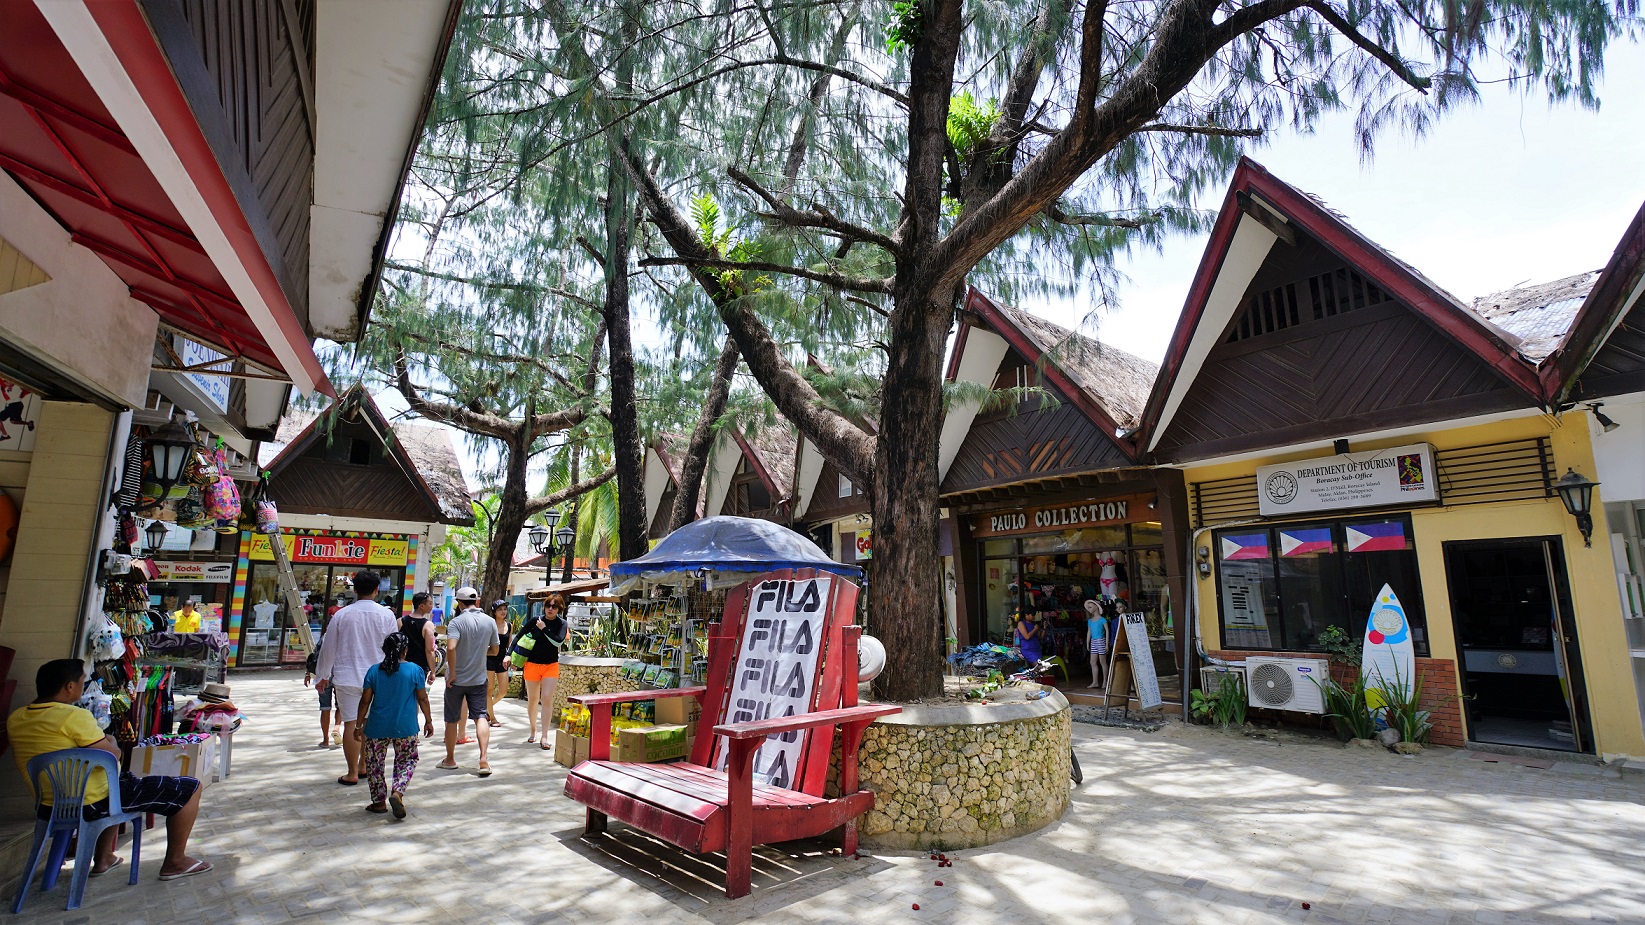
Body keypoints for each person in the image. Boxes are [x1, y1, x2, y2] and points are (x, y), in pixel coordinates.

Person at [7, 659, 211, 881]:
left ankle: (104, 857)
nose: (83, 685)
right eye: (82, 681)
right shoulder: (74, 716)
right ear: (70, 687)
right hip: (93, 803)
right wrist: (112, 742)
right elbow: (113, 755)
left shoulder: (16, 718)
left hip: (49, 805)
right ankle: (175, 861)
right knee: (190, 788)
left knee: (120, 780)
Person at [314, 570, 398, 786]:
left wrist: (322, 675)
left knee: (351, 722)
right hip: (377, 677)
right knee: (369, 723)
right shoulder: (386, 615)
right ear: (377, 590)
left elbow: (328, 647)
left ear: (354, 589)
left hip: (347, 677)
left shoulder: (342, 615)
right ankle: (363, 766)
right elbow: (393, 648)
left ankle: (351, 772)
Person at [354, 633, 433, 819]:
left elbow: (365, 701)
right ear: (406, 650)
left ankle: (379, 802)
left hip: (376, 726)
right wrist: (428, 721)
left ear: (385, 649)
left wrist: (358, 725)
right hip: (405, 726)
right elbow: (423, 698)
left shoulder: (374, 671)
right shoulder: (415, 670)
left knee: (374, 763)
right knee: (407, 759)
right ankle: (397, 792)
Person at [439, 586, 498, 775]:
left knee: (452, 719)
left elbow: (450, 648)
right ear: (476, 601)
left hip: (456, 681)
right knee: (480, 716)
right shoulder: (490, 621)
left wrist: (452, 674)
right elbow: (495, 650)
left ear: (459, 603)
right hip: (479, 679)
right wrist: (478, 652)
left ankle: (450, 759)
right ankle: (483, 759)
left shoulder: (456, 622)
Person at [518, 594, 568, 747]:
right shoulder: (536, 620)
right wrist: (508, 655)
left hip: (550, 665)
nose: (550, 609)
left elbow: (558, 642)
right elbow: (518, 637)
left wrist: (544, 629)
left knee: (546, 698)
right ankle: (533, 730)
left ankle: (544, 736)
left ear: (559, 609)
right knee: (533, 700)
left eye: (554, 606)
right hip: (532, 665)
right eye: (548, 605)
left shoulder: (562, 624)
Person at [484, 600, 512, 728]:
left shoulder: (509, 626)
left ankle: (487, 709)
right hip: (489, 658)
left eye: (505, 609)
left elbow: (509, 645)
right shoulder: (489, 625)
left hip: (502, 660)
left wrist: (510, 658)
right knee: (489, 690)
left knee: (503, 691)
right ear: (494, 612)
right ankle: (493, 718)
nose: (503, 611)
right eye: (500, 609)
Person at [401, 592, 439, 688]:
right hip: (419, 666)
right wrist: (433, 671)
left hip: (401, 665)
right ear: (421, 606)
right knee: (417, 693)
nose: (432, 606)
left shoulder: (400, 621)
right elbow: (429, 650)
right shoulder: (428, 625)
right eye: (430, 603)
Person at [1085, 600, 1110, 689]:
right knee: (1093, 661)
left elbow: (1107, 631)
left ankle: (1105, 681)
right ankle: (1095, 682)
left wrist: (1106, 644)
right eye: (1088, 608)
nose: (1089, 609)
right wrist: (1087, 642)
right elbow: (1089, 632)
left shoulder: (1102, 620)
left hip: (1101, 640)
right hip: (1093, 641)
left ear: (1096, 607)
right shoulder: (1090, 621)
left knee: (1102, 661)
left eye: (1090, 607)